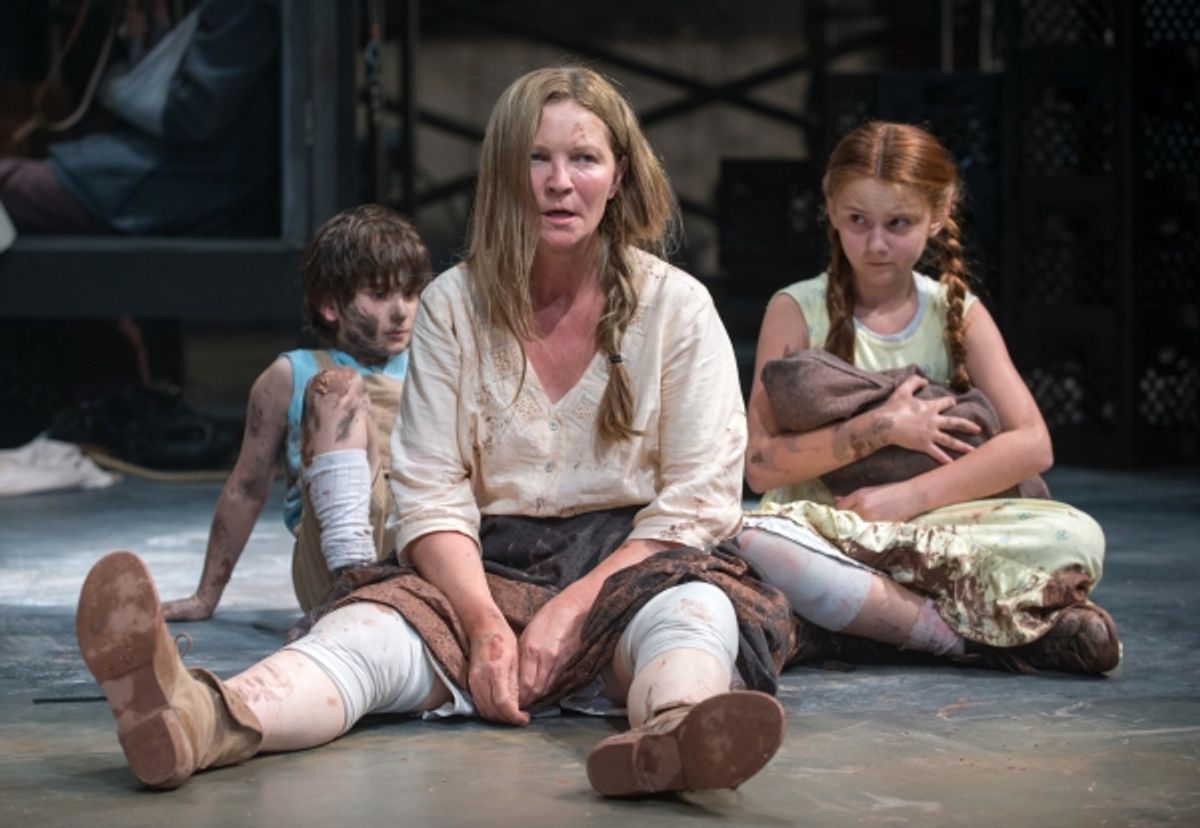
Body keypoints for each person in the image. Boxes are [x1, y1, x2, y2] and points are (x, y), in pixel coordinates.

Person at [75, 65, 796, 796]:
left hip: (632, 568)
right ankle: (199, 719)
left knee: (694, 615)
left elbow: (699, 500)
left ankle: (675, 733)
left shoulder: (677, 307)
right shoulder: (455, 303)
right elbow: (429, 492)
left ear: (618, 176)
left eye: (583, 158)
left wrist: (575, 609)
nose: (557, 181)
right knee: (359, 640)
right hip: (480, 565)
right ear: (505, 177)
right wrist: (484, 624)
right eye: (535, 158)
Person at [738, 120, 1120, 675]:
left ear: (938, 216)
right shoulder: (797, 309)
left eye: (899, 224)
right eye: (857, 221)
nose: (875, 244)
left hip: (931, 532)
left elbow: (1033, 444)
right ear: (831, 209)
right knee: (757, 540)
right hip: (831, 526)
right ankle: (976, 629)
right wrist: (882, 429)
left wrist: (908, 498)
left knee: (1078, 536)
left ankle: (861, 625)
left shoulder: (956, 313)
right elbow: (760, 466)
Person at [162, 203, 431, 620]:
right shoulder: (290, 375)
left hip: (423, 551)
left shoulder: (432, 364)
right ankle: (352, 580)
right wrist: (205, 597)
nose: (401, 311)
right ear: (331, 307)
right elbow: (246, 487)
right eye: (379, 295)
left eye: (410, 294)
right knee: (337, 387)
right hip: (329, 566)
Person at [0, 0, 278, 236]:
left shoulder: (237, 9)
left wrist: (114, 85)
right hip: (139, 161)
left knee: (9, 188)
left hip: (185, 179)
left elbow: (191, 117)